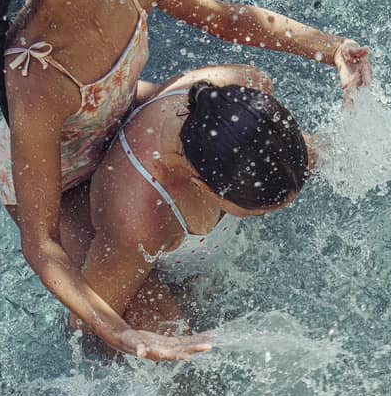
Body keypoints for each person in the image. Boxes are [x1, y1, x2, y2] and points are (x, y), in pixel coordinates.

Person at [0, 0, 371, 360]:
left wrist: (329, 47)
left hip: (123, 113)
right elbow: (41, 241)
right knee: (142, 337)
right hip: (66, 178)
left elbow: (227, 20)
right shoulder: (38, 79)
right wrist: (119, 333)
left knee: (274, 156)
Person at [80, 64, 310, 330]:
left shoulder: (244, 89)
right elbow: (88, 323)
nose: (274, 212)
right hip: (125, 258)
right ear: (201, 186)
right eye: (257, 211)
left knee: (308, 157)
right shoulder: (141, 220)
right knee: (175, 355)